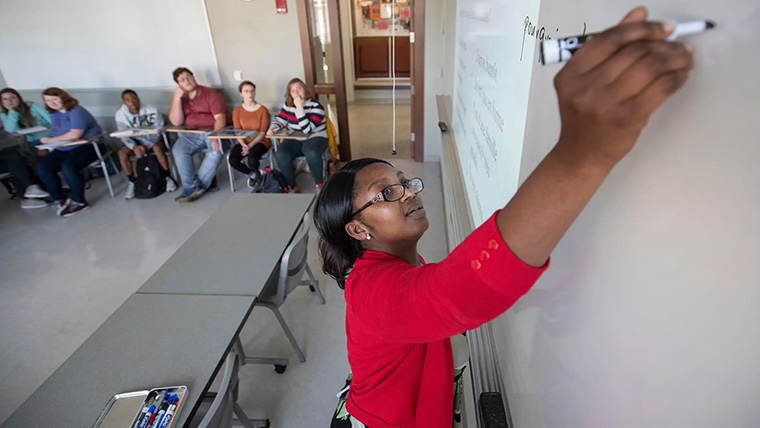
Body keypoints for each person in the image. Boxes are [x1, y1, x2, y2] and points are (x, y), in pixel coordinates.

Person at [315, 8, 694, 428]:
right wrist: (584, 152)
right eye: (387, 193)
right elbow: (456, 293)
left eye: (403, 181)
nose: (406, 192)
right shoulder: (372, 292)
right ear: (357, 228)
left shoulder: (399, 265)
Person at [38, 87, 106, 217]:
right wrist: (53, 141)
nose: (51, 103)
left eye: (54, 99)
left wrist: (50, 140)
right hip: (63, 147)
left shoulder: (76, 110)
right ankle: (59, 198)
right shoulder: (54, 114)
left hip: (88, 145)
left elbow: (75, 134)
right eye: (47, 101)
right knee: (44, 167)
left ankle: (79, 201)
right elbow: (62, 134)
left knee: (68, 166)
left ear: (62, 98)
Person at [168, 67, 229, 203]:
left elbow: (220, 118)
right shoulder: (181, 98)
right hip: (191, 134)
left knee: (216, 151)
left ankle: (194, 188)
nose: (187, 81)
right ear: (178, 84)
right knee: (178, 150)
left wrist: (215, 136)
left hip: (212, 131)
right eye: (182, 80)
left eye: (188, 77)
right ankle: (193, 187)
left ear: (193, 77)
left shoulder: (210, 94)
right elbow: (176, 121)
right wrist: (177, 97)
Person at [266, 78, 328, 193]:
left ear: (305, 90)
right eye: (293, 90)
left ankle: (319, 184)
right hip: (295, 138)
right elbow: (281, 120)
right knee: (281, 154)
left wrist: (299, 108)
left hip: (316, 138)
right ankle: (292, 184)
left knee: (310, 151)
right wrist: (273, 128)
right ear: (289, 93)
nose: (297, 92)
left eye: (299, 88)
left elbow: (307, 130)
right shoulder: (288, 105)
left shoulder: (316, 106)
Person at [114, 89, 177, 199]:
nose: (132, 103)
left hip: (153, 140)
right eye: (128, 100)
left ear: (138, 99)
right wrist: (134, 146)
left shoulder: (152, 110)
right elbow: (123, 135)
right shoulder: (120, 115)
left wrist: (146, 146)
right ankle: (132, 181)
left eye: (134, 99)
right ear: (124, 103)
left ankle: (168, 177)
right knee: (122, 153)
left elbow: (158, 132)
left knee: (157, 148)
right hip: (135, 142)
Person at [0, 87, 52, 207]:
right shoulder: (5, 114)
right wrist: (12, 111)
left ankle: (32, 193)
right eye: (5, 99)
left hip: (48, 137)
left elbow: (52, 120)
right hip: (32, 143)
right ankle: (34, 191)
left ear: (19, 98)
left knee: (20, 158)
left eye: (13, 98)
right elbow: (11, 129)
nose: (10, 101)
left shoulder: (32, 106)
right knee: (24, 159)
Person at [229, 81, 271, 189]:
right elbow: (238, 131)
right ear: (241, 93)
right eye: (246, 91)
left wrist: (250, 146)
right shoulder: (237, 111)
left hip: (260, 141)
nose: (250, 94)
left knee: (252, 158)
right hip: (243, 141)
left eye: (252, 91)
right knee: (233, 159)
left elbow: (262, 132)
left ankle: (257, 176)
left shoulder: (263, 110)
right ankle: (254, 174)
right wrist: (244, 145)